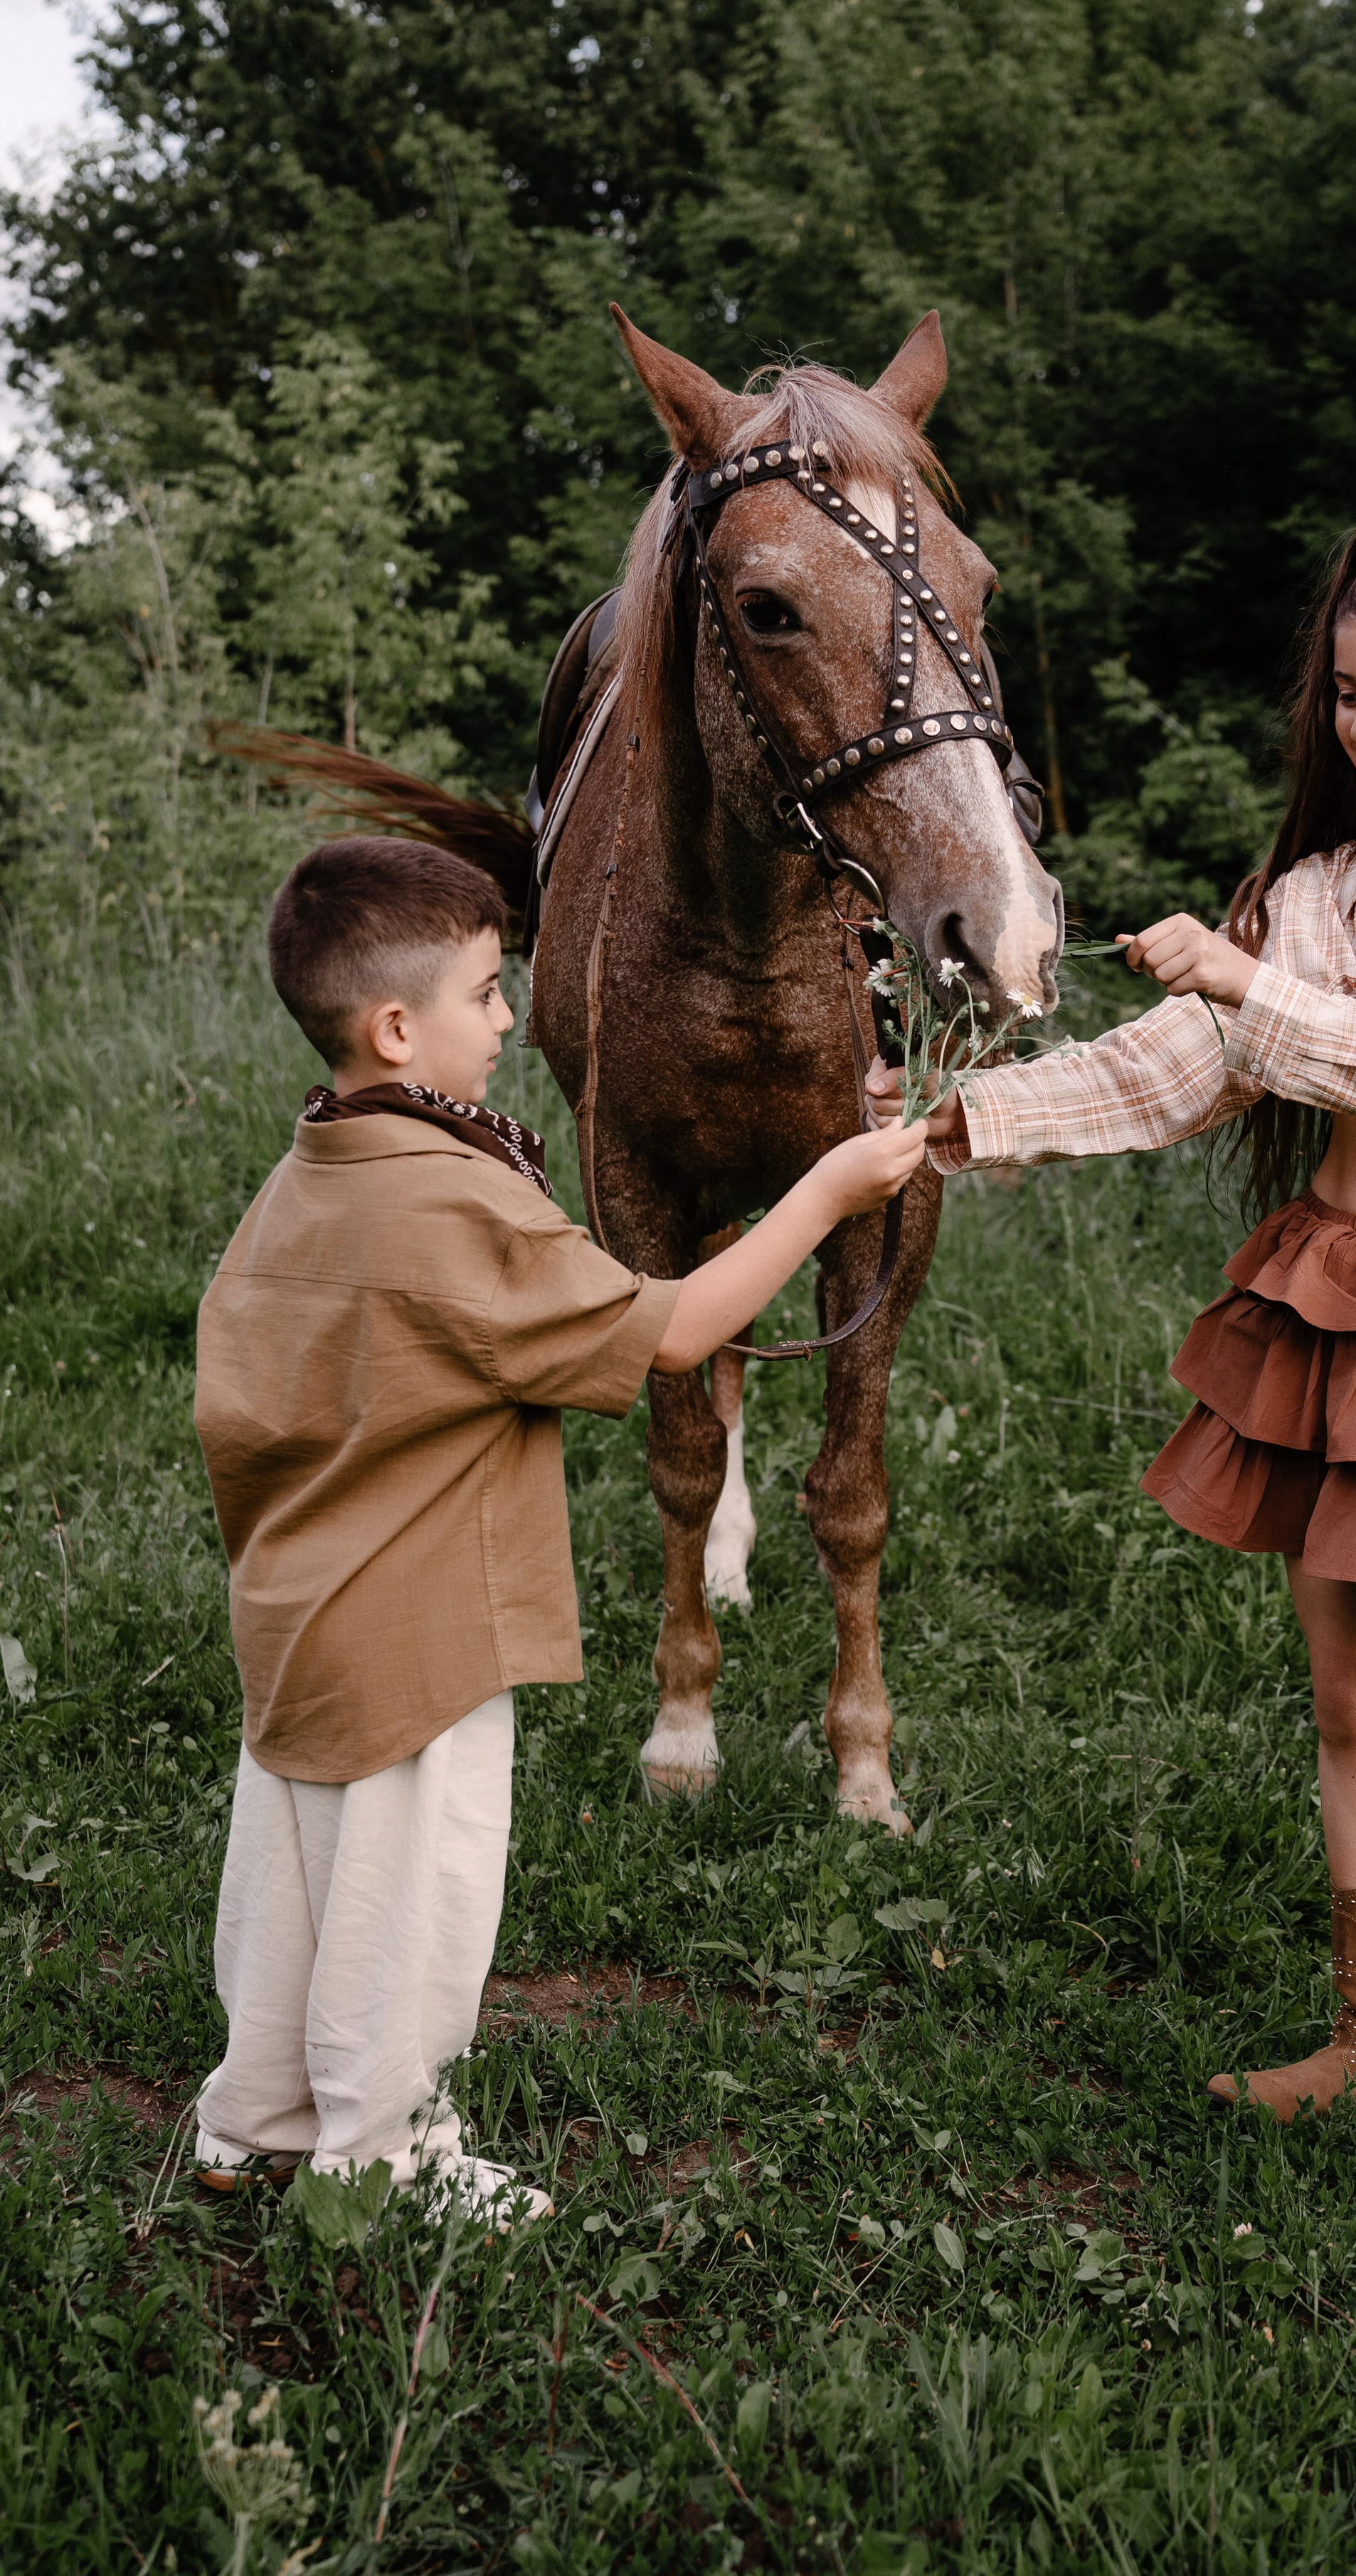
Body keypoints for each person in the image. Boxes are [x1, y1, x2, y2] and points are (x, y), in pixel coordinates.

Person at [871, 506, 1356, 2336]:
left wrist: (1241, 982)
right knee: (1346, 1706)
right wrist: (945, 1125)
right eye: (1346, 689)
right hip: (1327, 1289)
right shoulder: (1313, 883)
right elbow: (1169, 1076)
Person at [192, 836, 925, 2224]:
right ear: (399, 1026)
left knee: (291, 1881)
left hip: (297, 1609)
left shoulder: (312, 1173)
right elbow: (680, 1330)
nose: (511, 1019)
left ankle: (254, 2113)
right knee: (412, 1900)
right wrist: (826, 1189)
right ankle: (385, 2156)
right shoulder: (451, 1197)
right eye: (485, 992)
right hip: (421, 1629)